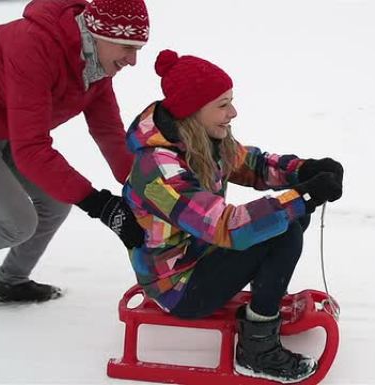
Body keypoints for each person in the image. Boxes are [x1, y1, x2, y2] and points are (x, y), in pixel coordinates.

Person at [123, 49, 344, 383]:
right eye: (222, 105)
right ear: (193, 111)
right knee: (283, 229)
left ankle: (262, 303)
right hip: (178, 286)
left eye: (231, 101)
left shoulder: (204, 139)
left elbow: (250, 164)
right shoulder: (158, 170)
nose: (233, 112)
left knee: (288, 221)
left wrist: (303, 171)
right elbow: (226, 226)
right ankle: (256, 349)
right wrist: (305, 196)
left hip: (202, 253)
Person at [0, 0, 149, 309]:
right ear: (97, 33)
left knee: (56, 201)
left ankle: (10, 283)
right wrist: (100, 205)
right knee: (17, 222)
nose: (132, 60)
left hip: (7, 123)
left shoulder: (95, 63)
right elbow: (32, 149)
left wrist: (143, 188)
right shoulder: (34, 47)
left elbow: (108, 131)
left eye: (138, 49)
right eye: (125, 47)